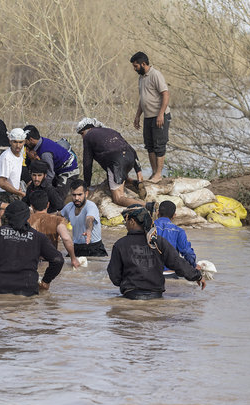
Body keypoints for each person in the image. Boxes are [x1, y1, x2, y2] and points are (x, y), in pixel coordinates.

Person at [107, 204, 205, 300]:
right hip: (156, 296)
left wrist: (127, 282)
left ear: (132, 221)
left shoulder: (120, 244)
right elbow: (178, 263)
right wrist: (197, 276)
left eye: (126, 221)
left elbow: (114, 276)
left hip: (130, 296)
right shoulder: (159, 242)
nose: (125, 225)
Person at [0, 201, 64, 296]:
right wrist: (46, 281)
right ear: (27, 217)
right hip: (29, 289)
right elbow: (58, 259)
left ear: (7, 216)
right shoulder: (39, 237)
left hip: (1, 287)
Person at [76, 117, 145, 207]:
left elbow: (87, 164)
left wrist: (87, 186)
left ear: (88, 128)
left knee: (118, 198)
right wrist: (139, 172)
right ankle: (135, 183)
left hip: (116, 161)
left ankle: (148, 206)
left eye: (82, 133)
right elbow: (132, 150)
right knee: (119, 177)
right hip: (130, 157)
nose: (82, 137)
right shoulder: (110, 130)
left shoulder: (88, 136)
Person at [130, 51, 171, 183]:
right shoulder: (141, 78)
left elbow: (165, 94)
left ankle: (159, 174)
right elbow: (143, 99)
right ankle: (154, 173)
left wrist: (161, 115)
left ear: (143, 64)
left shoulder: (155, 75)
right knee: (149, 145)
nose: (134, 69)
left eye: (136, 66)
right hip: (148, 117)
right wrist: (137, 116)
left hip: (159, 116)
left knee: (159, 145)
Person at [28, 190, 80, 268]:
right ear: (48, 204)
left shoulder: (26, 221)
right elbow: (66, 238)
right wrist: (73, 258)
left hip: (30, 262)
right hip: (50, 262)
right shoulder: (57, 220)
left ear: (31, 206)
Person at [23, 124, 79, 195]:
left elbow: (50, 174)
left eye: (25, 141)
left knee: (58, 196)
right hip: (57, 168)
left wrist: (41, 188)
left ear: (31, 140)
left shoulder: (45, 153)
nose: (24, 144)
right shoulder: (41, 141)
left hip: (68, 171)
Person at [59, 179, 108, 257]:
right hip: (76, 248)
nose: (77, 198)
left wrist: (88, 230)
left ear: (86, 194)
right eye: (74, 195)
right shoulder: (69, 207)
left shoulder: (91, 206)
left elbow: (89, 219)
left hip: (94, 248)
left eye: (79, 194)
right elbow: (58, 216)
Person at [154, 200, 198, 274]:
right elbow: (187, 252)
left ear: (157, 212)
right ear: (174, 215)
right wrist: (194, 265)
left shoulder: (148, 227)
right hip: (170, 273)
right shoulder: (178, 231)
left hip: (149, 273)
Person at [0, 128, 26, 203]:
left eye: (20, 142)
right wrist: (19, 193)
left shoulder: (20, 155)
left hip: (15, 193)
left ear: (24, 142)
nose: (18, 145)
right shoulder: (6, 157)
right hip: (4, 195)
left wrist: (18, 189)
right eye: (15, 142)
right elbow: (2, 183)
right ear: (10, 141)